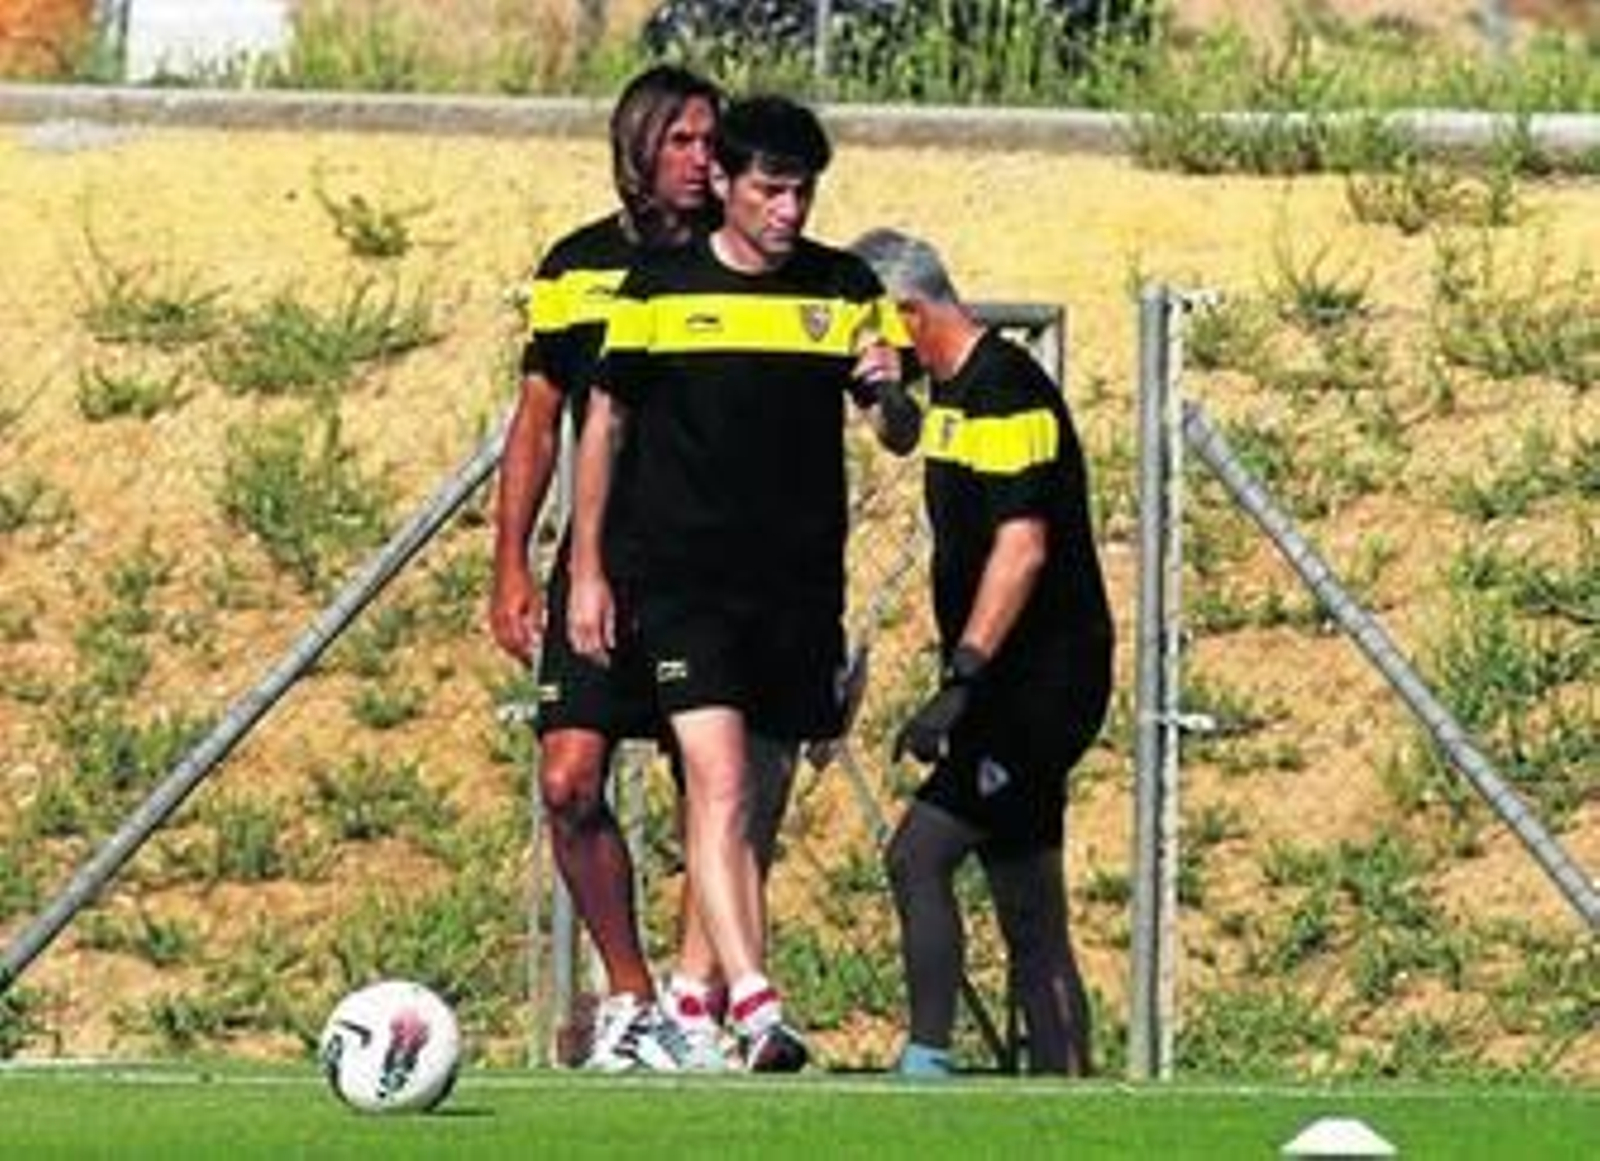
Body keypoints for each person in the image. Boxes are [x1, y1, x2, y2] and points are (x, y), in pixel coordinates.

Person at [569, 95, 921, 1072]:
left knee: (756, 799)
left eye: (802, 191)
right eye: (769, 189)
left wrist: (892, 389)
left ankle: (690, 1001)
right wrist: (588, 567)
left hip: (798, 587)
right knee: (716, 784)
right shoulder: (656, 287)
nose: (788, 210)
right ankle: (758, 1006)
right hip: (683, 583)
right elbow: (605, 426)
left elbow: (897, 434)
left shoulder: (846, 287)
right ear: (722, 183)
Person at [488, 63, 723, 1072]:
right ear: (636, 149)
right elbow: (539, 423)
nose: (701, 160)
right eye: (680, 141)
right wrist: (508, 560)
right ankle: (629, 996)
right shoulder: (578, 266)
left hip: (712, 577)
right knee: (568, 781)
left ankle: (697, 997)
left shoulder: (741, 264)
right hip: (597, 575)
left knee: (711, 795)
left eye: (711, 141)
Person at [848, 228, 1113, 1078]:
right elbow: (903, 434)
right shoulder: (955, 391)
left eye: (873, 329)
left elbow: (1023, 548)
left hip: (1038, 684)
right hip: (1005, 685)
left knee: (917, 854)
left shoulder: (1008, 393)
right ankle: (1067, 1092)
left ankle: (926, 1059)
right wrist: (884, 394)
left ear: (908, 313)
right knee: (1029, 907)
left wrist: (959, 682)